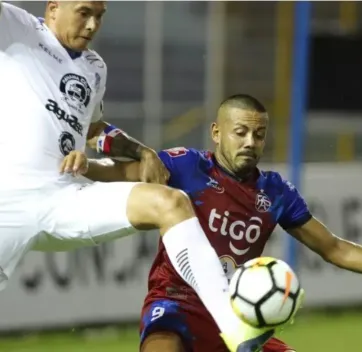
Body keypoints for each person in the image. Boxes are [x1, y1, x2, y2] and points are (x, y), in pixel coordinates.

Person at [84, 94, 362, 352]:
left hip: (240, 313)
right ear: (217, 133)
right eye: (240, 132)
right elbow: (124, 171)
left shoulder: (275, 192)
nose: (250, 141)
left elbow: (332, 247)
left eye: (259, 134)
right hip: (176, 305)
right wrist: (83, 167)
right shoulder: (185, 165)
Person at [0, 3, 271, 351]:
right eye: (84, 12)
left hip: (63, 196)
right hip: (8, 199)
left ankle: (235, 328)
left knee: (170, 202)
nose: (93, 24)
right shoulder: (18, 29)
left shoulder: (95, 68)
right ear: (54, 6)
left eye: (100, 15)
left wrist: (143, 152)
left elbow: (94, 131)